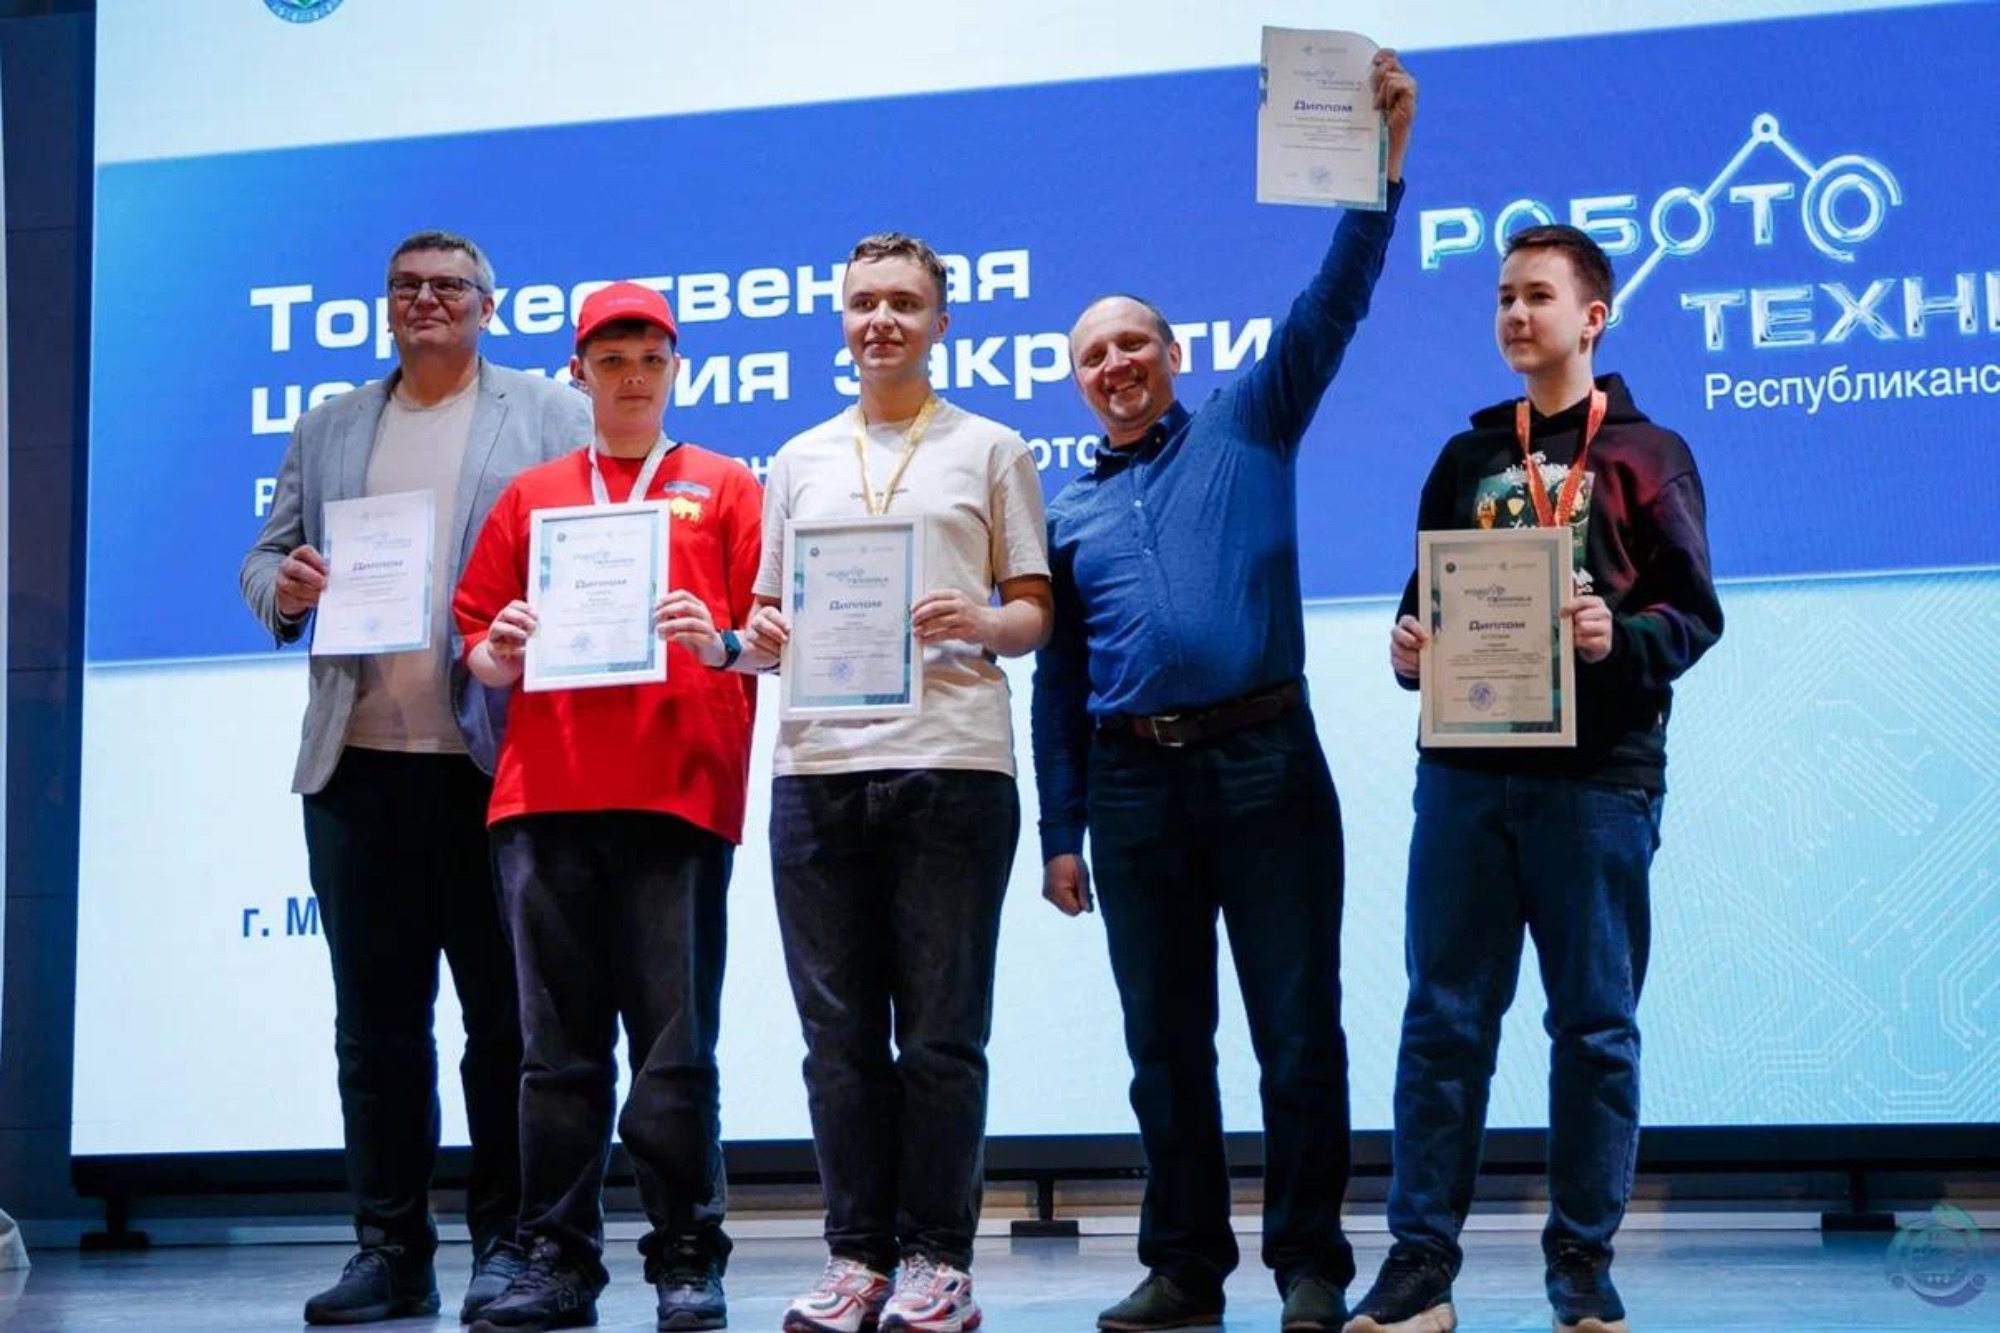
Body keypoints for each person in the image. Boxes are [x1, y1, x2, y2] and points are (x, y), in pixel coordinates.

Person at [1030, 51, 1418, 1333]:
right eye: (1092, 354)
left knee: (1297, 1031)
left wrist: (1381, 166)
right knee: (1162, 1044)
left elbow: (1333, 299)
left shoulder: (1251, 418)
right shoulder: (1063, 509)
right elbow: (1058, 681)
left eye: (1131, 342)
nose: (1115, 363)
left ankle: (1310, 1264)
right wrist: (1060, 830)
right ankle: (1185, 1268)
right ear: (1077, 380)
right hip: (1129, 785)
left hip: (1265, 765)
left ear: (1173, 352)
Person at [1343, 225, 1722, 1333]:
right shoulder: (1467, 457)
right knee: (1441, 1023)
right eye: (1504, 296)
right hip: (1466, 777)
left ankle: (1581, 1266)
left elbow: (1692, 613)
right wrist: (1407, 646)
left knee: (1593, 1026)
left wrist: (1621, 637)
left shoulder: (1647, 454)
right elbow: (1422, 602)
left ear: (1592, 316)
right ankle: (1420, 1268)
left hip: (1599, 781)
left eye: (1537, 296)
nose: (1515, 313)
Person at [240, 230, 589, 1326]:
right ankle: (390, 1250)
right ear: (386, 305)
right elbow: (264, 556)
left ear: (488, 304)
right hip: (359, 769)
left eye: (448, 286)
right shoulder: (331, 424)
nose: (425, 300)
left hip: (497, 765)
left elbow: (595, 544)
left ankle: (508, 1246)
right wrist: (288, 588)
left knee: (508, 1028)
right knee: (376, 1031)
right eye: (406, 286)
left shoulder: (552, 411)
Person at [741, 232, 1052, 1333]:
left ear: (940, 323)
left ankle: (936, 1260)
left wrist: (983, 618)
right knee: (836, 1040)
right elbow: (766, 619)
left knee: (938, 1035)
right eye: (864, 302)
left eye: (904, 304)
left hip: (951, 761)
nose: (882, 320)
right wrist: (757, 636)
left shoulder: (992, 447)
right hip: (817, 767)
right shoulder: (797, 458)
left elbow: (1034, 610)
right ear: (842, 318)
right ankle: (856, 1258)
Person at [453, 282, 763, 1333]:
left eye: (651, 359)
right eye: (612, 360)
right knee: (556, 1052)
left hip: (677, 793)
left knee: (675, 1050)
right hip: (544, 797)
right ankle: (557, 1259)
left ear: (676, 369)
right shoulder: (533, 495)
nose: (633, 378)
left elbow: (765, 636)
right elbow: (478, 639)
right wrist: (498, 651)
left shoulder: (725, 485)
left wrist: (716, 638)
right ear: (578, 373)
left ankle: (686, 1255)